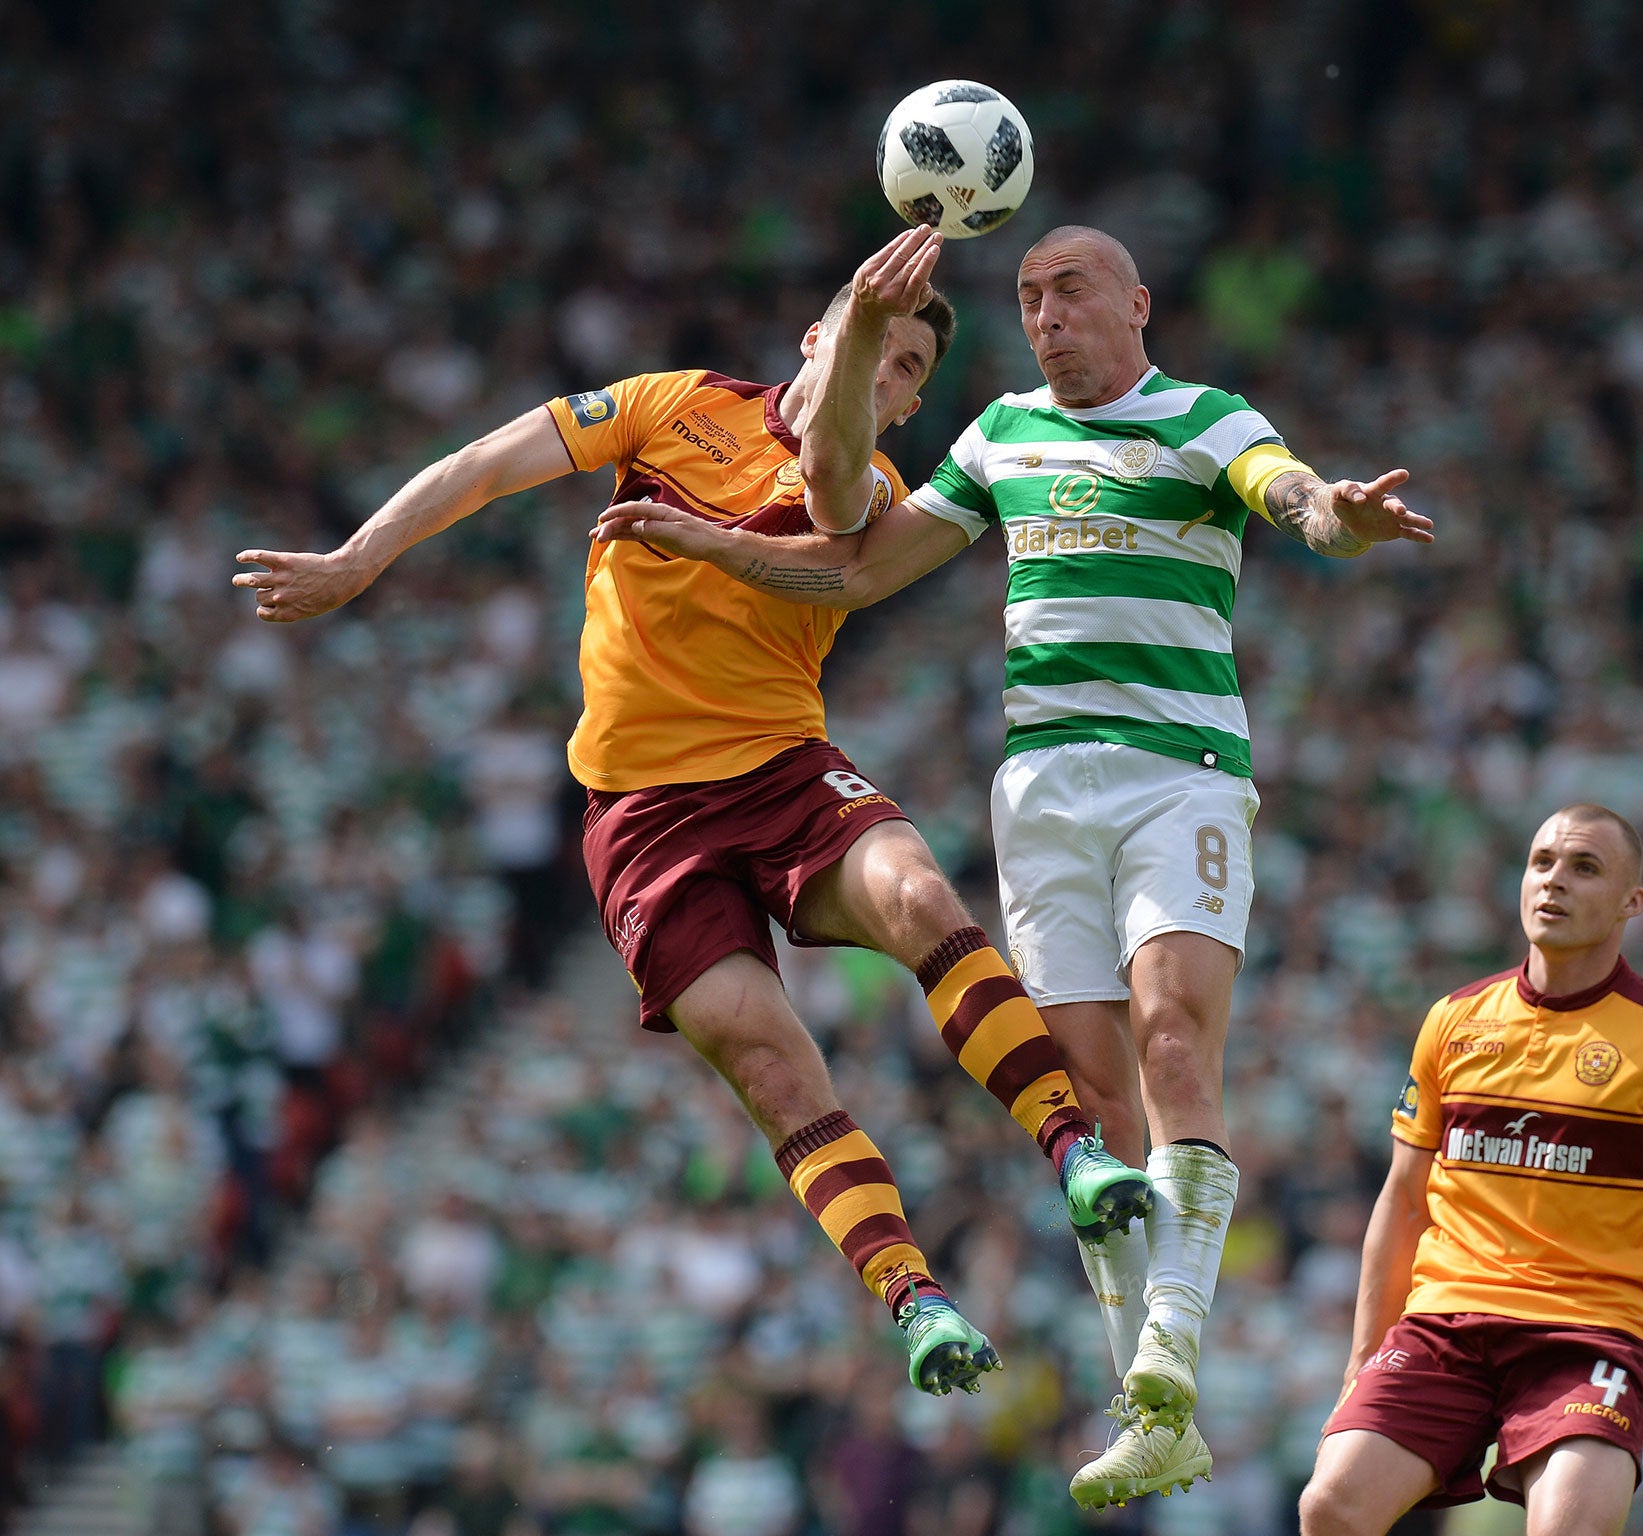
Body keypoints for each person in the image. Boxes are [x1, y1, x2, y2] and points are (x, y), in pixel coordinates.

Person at [228, 227, 1151, 1396]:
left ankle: (1070, 1153)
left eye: (910, 373)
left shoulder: (866, 489)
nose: (887, 376)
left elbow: (823, 467)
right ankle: (915, 1300)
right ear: (810, 335)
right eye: (875, 344)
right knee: (772, 1070)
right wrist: (361, 556)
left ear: (909, 409)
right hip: (641, 823)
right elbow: (488, 462)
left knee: (920, 895)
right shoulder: (674, 404)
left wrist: (872, 324)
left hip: (781, 776)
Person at [592, 224, 1433, 1506]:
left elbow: (1288, 490)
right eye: (1029, 296)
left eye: (1071, 290)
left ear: (1137, 303)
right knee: (1086, 1094)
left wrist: (1336, 520)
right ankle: (1147, 1414)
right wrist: (712, 548)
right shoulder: (996, 436)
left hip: (1177, 773)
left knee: (1167, 1045)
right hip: (1038, 788)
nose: (1045, 315)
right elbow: (856, 571)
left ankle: (1171, 1347)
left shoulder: (1206, 419)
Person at [1295, 804, 1643, 1536]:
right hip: (1446, 1324)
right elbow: (1405, 1199)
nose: (1554, 881)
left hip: (1588, 1334)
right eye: (1542, 863)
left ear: (1634, 903)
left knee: (1572, 1526)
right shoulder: (1454, 1019)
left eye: (1584, 867)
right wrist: (1363, 1358)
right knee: (1329, 1507)